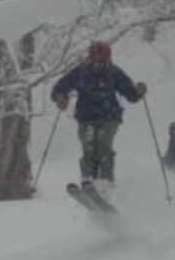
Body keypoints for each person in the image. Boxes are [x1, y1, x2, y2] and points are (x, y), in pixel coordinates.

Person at [50, 40, 146, 189]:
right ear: (90, 58)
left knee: (103, 145)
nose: (98, 64)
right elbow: (59, 88)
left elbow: (130, 94)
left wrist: (138, 91)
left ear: (108, 59)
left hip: (109, 117)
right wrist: (60, 97)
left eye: (102, 61)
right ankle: (88, 179)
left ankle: (106, 182)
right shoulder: (80, 72)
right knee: (88, 147)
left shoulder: (114, 72)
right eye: (95, 60)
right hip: (85, 118)